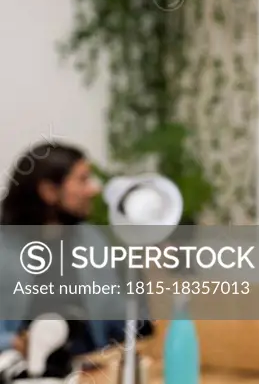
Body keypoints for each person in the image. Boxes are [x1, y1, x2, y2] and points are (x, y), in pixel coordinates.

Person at [0, 142, 151, 362]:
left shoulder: (92, 239)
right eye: (83, 180)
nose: (93, 189)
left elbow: (117, 315)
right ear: (49, 191)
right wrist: (12, 343)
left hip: (90, 367)